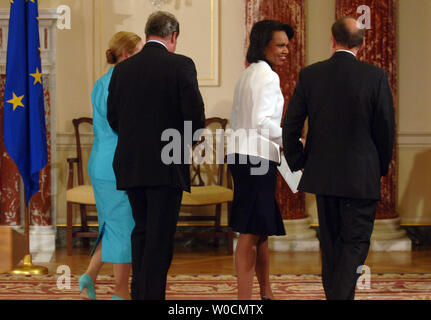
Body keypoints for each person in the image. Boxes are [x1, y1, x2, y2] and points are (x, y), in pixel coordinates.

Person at [282, 17, 395, 300]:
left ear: (332, 41)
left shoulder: (311, 75)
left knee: (331, 245)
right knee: (355, 244)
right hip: (361, 176)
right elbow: (385, 130)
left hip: (324, 175)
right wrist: (379, 168)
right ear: (363, 44)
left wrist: (300, 161)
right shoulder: (375, 76)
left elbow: (291, 125)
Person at [107, 11, 205, 300]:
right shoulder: (181, 65)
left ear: (147, 32)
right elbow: (195, 118)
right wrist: (182, 146)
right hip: (167, 166)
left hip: (131, 164)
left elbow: (114, 118)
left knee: (141, 231)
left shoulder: (122, 69)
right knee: (160, 239)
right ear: (173, 36)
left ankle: (140, 294)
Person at [227, 20, 294, 300]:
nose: (286, 50)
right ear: (262, 44)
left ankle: (266, 292)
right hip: (256, 157)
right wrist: (290, 141)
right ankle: (244, 301)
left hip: (241, 155)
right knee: (251, 231)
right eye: (280, 45)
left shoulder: (248, 73)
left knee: (260, 228)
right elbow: (261, 121)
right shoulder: (267, 76)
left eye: (287, 45)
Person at [78, 31, 144, 300]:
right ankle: (121, 292)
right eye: (140, 52)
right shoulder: (123, 84)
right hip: (118, 165)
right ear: (127, 54)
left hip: (100, 162)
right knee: (124, 228)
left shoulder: (100, 82)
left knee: (112, 224)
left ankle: (89, 277)